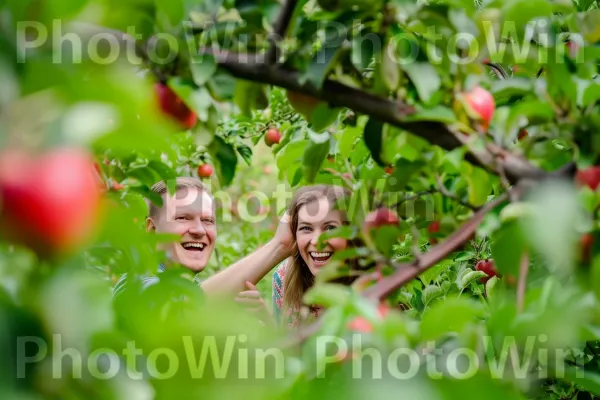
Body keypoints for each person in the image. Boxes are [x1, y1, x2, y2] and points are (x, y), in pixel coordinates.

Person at [113, 176, 294, 299]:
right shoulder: (135, 286)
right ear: (152, 230)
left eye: (207, 220)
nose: (199, 230)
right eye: (183, 218)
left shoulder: (198, 287)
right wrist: (279, 246)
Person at [233, 184, 366, 329]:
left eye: (330, 228)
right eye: (306, 228)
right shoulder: (285, 278)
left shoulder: (375, 282)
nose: (316, 241)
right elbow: (287, 349)